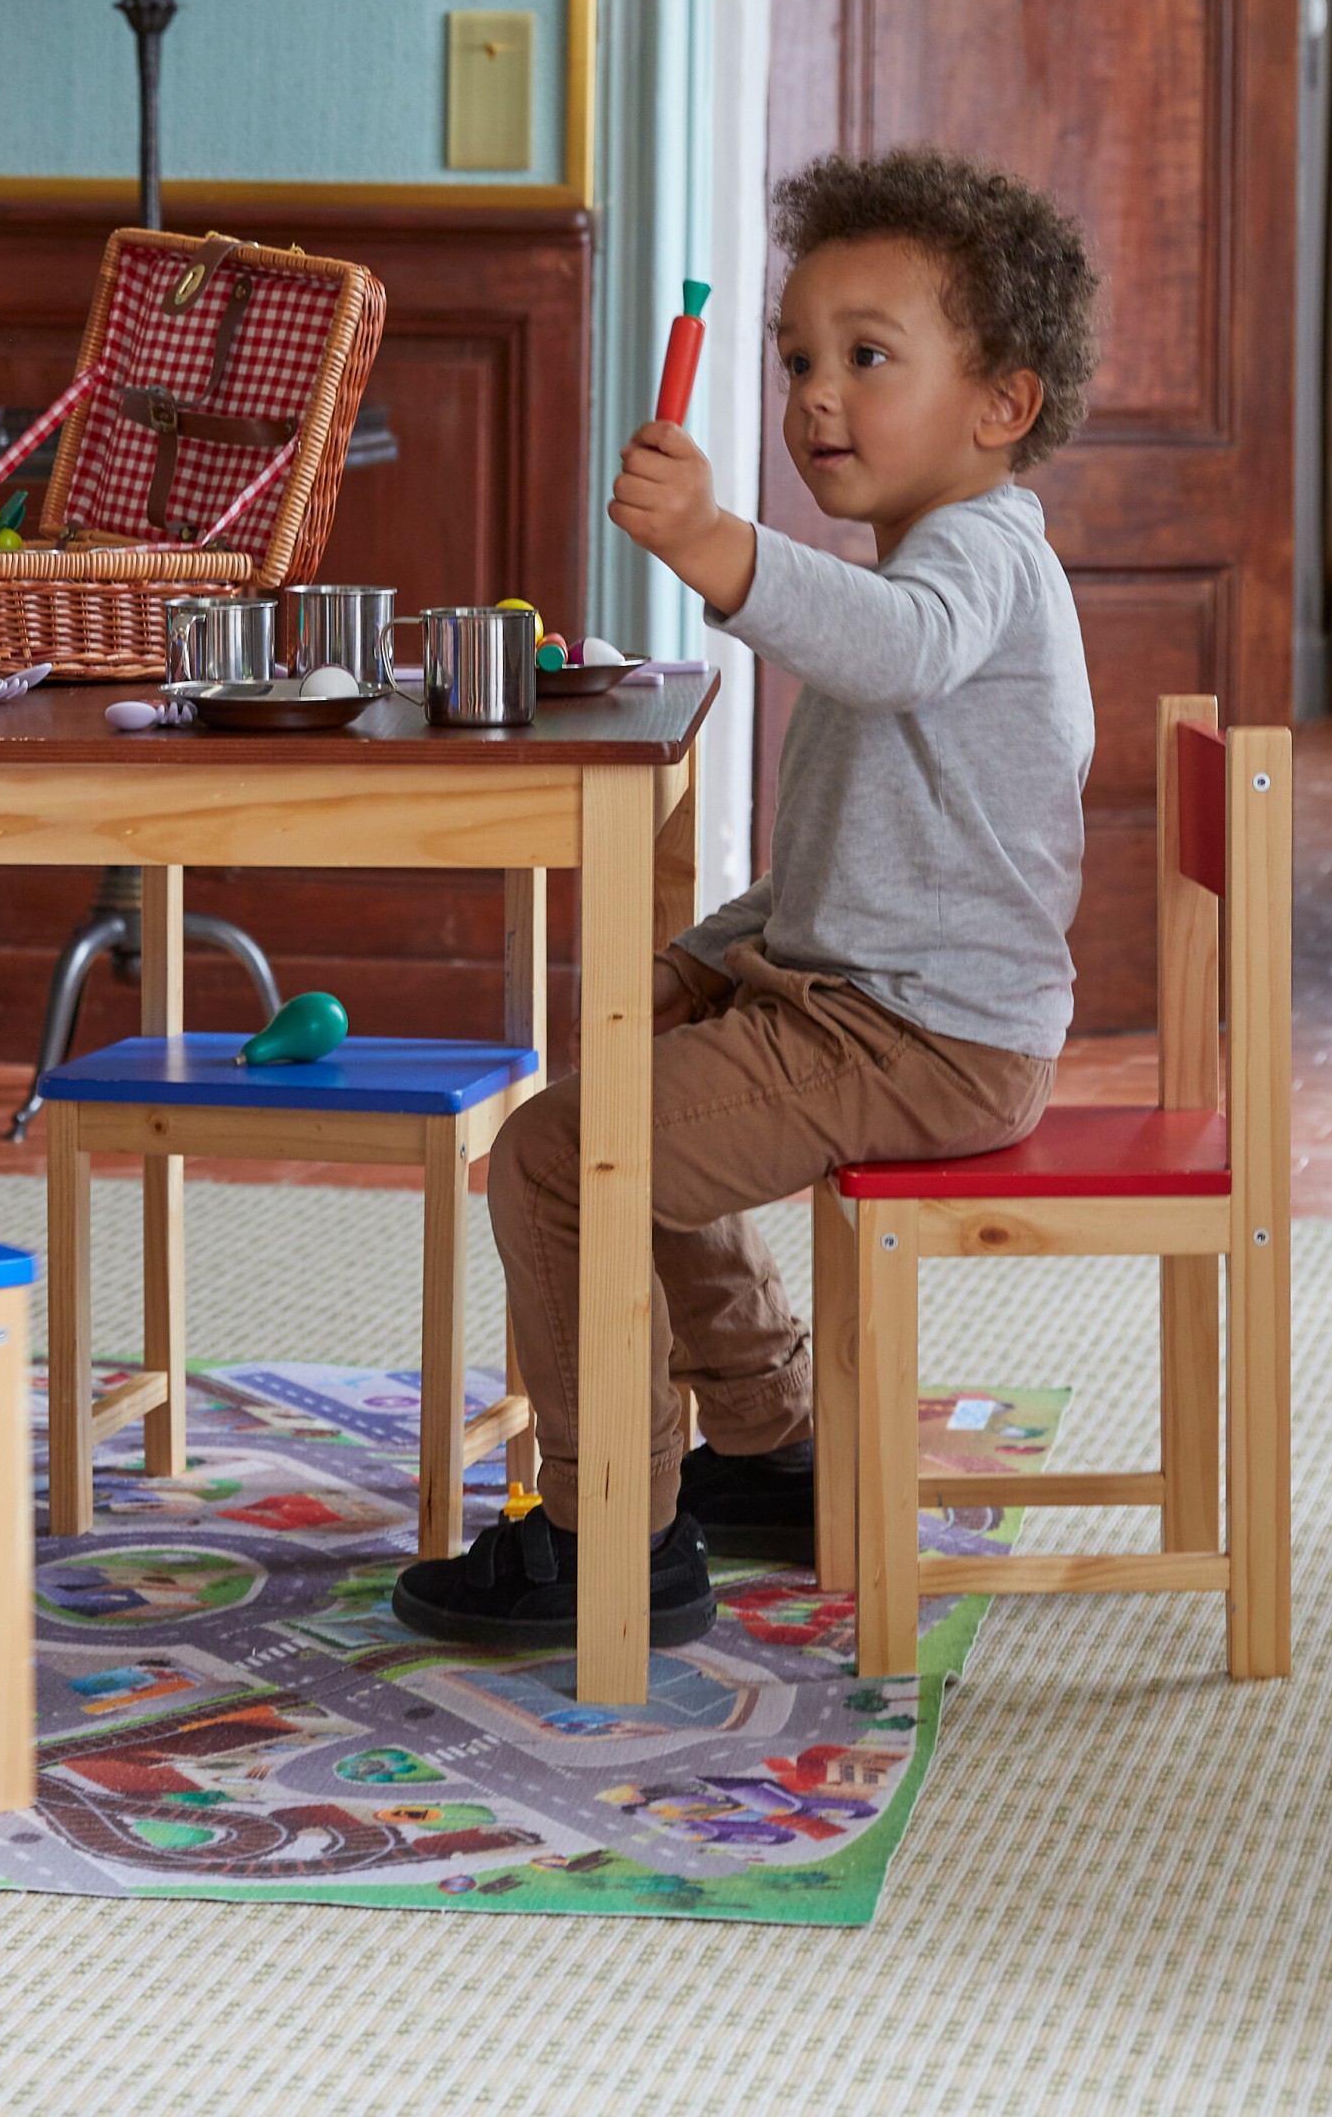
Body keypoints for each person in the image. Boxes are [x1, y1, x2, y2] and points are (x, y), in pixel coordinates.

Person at [396, 148, 1100, 1647]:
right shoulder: (920, 563)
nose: (815, 397)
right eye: (796, 361)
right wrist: (709, 956)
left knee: (556, 1157)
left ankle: (609, 1535)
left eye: (867, 358)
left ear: (1003, 405)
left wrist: (714, 545)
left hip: (922, 1037)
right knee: (632, 1094)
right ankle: (767, 1446)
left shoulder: (974, 561)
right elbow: (853, 858)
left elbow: (900, 647)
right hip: (883, 1009)